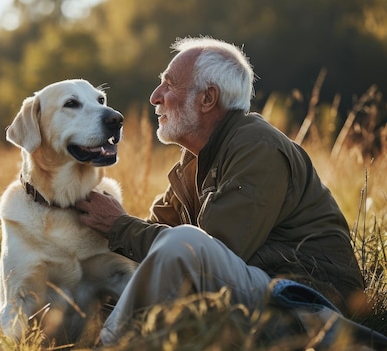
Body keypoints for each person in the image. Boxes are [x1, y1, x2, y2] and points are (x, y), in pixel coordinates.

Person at [74, 37, 373, 347]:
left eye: (168, 85)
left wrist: (120, 226)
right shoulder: (197, 158)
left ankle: (107, 346)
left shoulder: (257, 147)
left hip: (307, 302)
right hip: (259, 291)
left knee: (184, 242)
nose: (154, 97)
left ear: (207, 98)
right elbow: (157, 249)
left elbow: (207, 252)